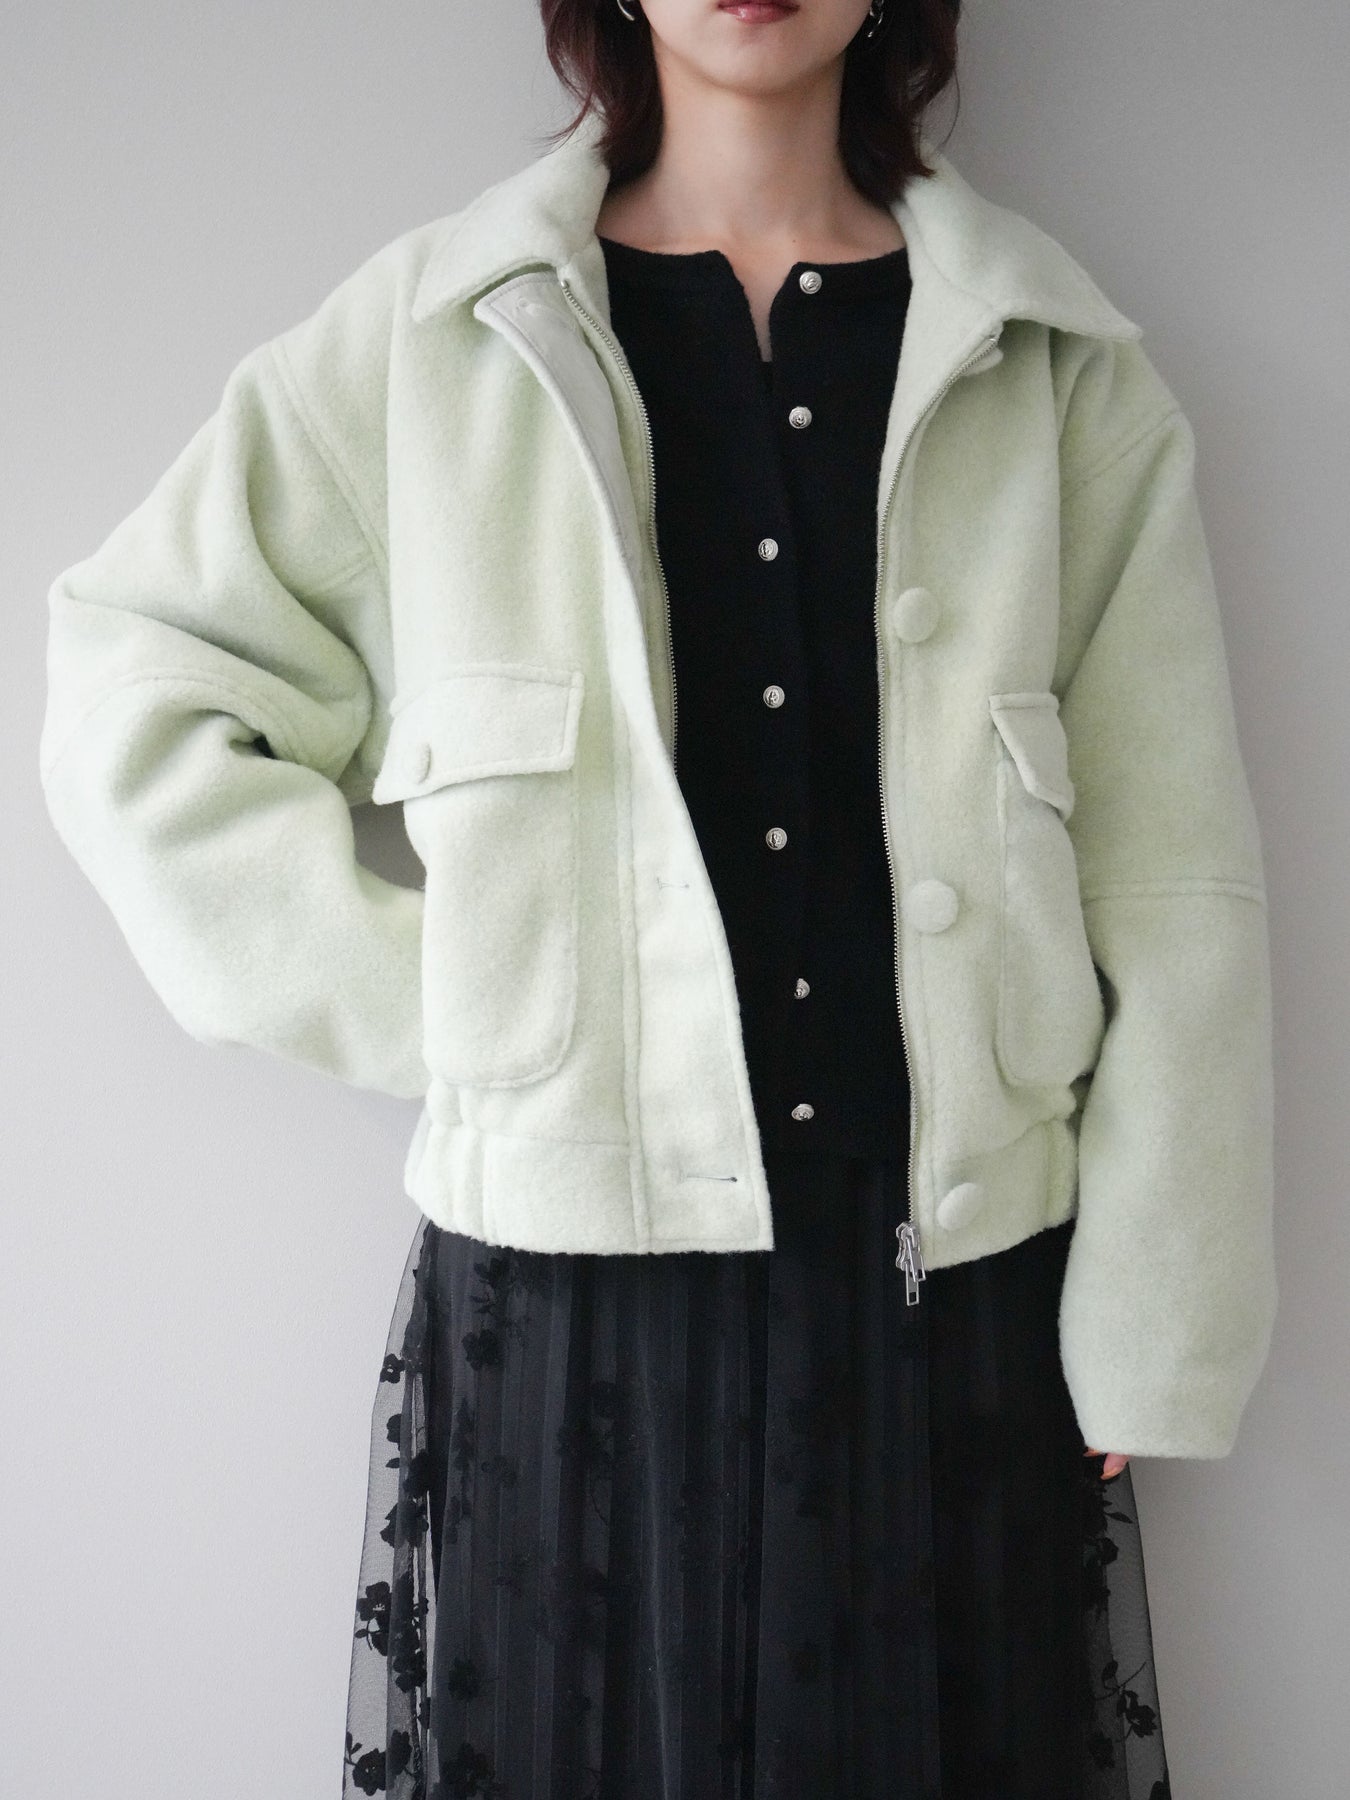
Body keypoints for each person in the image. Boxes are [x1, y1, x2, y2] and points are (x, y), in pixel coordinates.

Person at [38, 1, 1277, 1795]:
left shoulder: (1052, 365)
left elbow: (1171, 876)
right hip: (577, 1300)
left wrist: (1157, 1328)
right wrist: (467, 1014)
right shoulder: (439, 336)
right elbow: (137, 689)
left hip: (946, 1289)